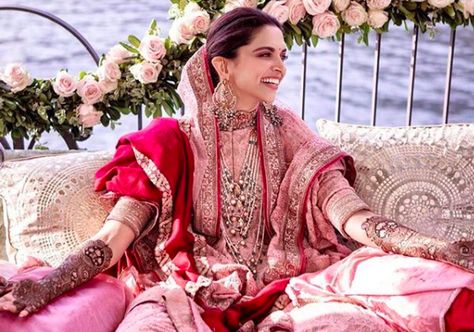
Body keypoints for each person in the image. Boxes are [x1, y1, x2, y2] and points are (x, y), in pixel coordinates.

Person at [1, 7, 474, 332]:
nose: (280, 67)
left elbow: (349, 214)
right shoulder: (171, 142)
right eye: (265, 54)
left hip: (290, 287)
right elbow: (113, 238)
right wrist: (47, 286)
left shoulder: (289, 130)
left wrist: (435, 246)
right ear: (223, 66)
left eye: (283, 55)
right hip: (186, 291)